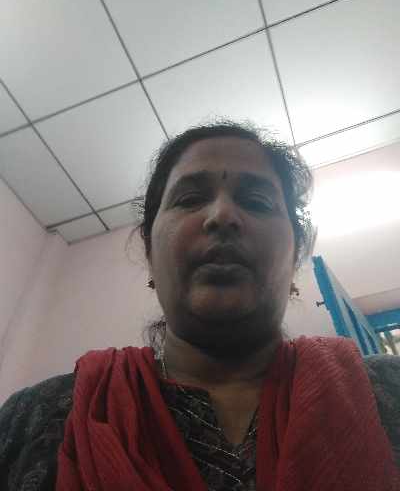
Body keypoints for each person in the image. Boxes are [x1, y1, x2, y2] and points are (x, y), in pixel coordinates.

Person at [0, 120, 399, 491]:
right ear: (150, 254)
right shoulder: (37, 418)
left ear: (295, 258)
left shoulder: (388, 389)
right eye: (190, 199)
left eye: (257, 201)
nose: (223, 215)